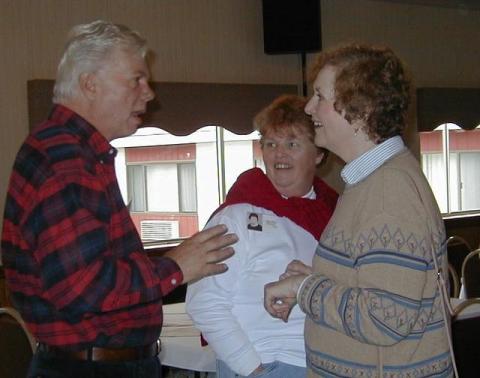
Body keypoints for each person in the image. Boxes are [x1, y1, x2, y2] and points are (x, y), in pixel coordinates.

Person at [1, 20, 238, 378]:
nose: (149, 93)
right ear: (89, 84)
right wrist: (175, 267)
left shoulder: (74, 152)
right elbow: (83, 288)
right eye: (136, 80)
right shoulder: (63, 157)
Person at [264, 44, 453, 377]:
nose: (309, 108)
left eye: (320, 97)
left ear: (360, 110)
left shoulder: (387, 191)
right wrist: (316, 278)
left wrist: (304, 289)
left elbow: (385, 318)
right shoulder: (373, 181)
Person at [186, 94, 338, 378]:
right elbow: (204, 302)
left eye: (292, 144)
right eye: (270, 144)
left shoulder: (336, 214)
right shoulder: (237, 216)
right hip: (268, 363)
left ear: (319, 153)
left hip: (328, 362)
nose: (279, 154)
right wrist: (253, 370)